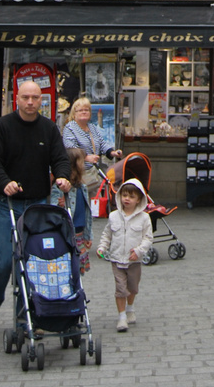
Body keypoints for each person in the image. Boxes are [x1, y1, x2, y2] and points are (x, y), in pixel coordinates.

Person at [0, 80, 71, 326]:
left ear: (41, 100)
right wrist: (4, 182)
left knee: (32, 262)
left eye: (35, 98)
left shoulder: (49, 128)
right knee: (3, 262)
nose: (30, 102)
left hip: (37, 205)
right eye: (25, 98)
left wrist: (63, 176)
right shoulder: (3, 126)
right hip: (5, 204)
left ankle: (26, 318)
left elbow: (60, 158)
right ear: (17, 100)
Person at [96, 178, 153, 332]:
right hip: (116, 259)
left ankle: (130, 308)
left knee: (132, 288)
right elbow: (107, 234)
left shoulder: (144, 218)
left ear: (139, 200)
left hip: (134, 261)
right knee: (120, 289)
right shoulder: (114, 216)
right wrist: (102, 247)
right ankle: (122, 317)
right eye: (124, 195)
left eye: (131, 197)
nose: (127, 199)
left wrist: (139, 251)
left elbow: (148, 238)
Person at [62, 96, 123, 196]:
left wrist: (112, 152)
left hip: (92, 175)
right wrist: (86, 157)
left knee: (96, 206)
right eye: (80, 110)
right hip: (78, 175)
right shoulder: (70, 128)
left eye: (86, 110)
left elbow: (101, 143)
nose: (84, 112)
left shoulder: (92, 128)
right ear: (74, 113)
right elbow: (70, 148)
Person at [50, 147, 93, 273]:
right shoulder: (59, 188)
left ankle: (76, 289)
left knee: (80, 269)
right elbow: (53, 210)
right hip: (67, 233)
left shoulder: (82, 186)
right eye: (81, 161)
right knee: (66, 267)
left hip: (80, 232)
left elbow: (87, 213)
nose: (83, 164)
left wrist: (88, 235)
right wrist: (60, 205)